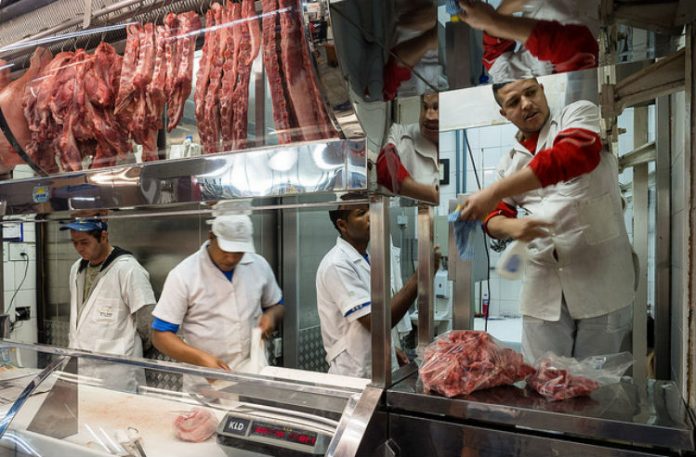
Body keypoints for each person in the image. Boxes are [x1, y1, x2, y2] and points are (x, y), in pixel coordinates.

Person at [459, 78, 635, 362]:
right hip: (544, 284)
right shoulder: (510, 162)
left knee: (598, 384)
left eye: (530, 93)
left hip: (602, 276)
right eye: (513, 102)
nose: (526, 104)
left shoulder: (576, 115)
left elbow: (573, 155)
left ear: (542, 89)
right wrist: (512, 226)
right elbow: (492, 217)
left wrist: (493, 191)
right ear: (504, 114)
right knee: (544, 383)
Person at [151, 214, 284, 386]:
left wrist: (271, 317)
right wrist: (202, 359)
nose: (231, 258)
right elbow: (160, 335)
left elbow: (277, 305)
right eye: (225, 250)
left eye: (238, 252)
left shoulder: (259, 265)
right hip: (205, 383)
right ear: (211, 236)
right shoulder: (183, 275)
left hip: (252, 375)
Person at [316, 204, 439, 378]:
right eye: (361, 213)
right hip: (354, 373)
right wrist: (420, 276)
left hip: (374, 366)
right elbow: (377, 321)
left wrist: (389, 349)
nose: (371, 217)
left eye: (371, 210)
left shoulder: (366, 259)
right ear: (343, 225)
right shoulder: (337, 264)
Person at [63, 219, 156, 392]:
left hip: (118, 376)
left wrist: (132, 347)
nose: (79, 248)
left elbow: (148, 323)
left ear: (103, 236)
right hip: (80, 374)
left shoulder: (128, 270)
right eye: (75, 243)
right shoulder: (76, 269)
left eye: (84, 242)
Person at [458, 0, 598, 83]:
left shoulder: (512, 87)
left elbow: (494, 54)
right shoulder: (575, 93)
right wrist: (494, 21)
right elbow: (571, 45)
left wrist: (504, 11)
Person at [376, 92, 439, 203]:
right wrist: (431, 194)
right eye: (424, 107)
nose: (428, 116)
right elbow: (385, 165)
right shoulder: (400, 132)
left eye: (436, 108)